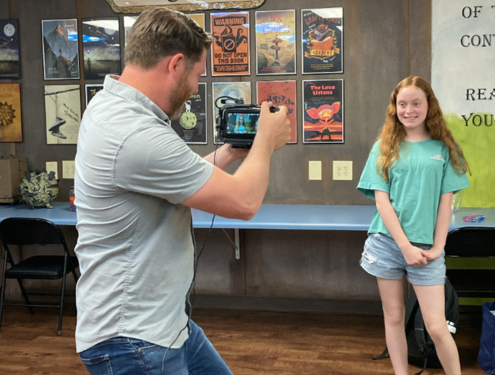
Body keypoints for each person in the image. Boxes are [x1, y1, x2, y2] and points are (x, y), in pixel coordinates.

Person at [74, 8, 290, 375]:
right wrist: (266, 143)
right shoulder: (135, 134)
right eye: (196, 75)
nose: (194, 88)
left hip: (164, 324)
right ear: (175, 64)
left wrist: (230, 152)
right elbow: (244, 201)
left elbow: (173, 177)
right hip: (133, 340)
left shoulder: (112, 107)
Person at [357, 76, 469, 375]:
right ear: (394, 108)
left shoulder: (444, 149)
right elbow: (382, 203)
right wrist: (404, 247)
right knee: (393, 317)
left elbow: (446, 203)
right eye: (402, 104)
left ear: (428, 105)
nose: (408, 110)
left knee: (436, 325)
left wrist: (438, 247)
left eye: (416, 103)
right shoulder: (383, 147)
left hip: (427, 251)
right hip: (387, 244)